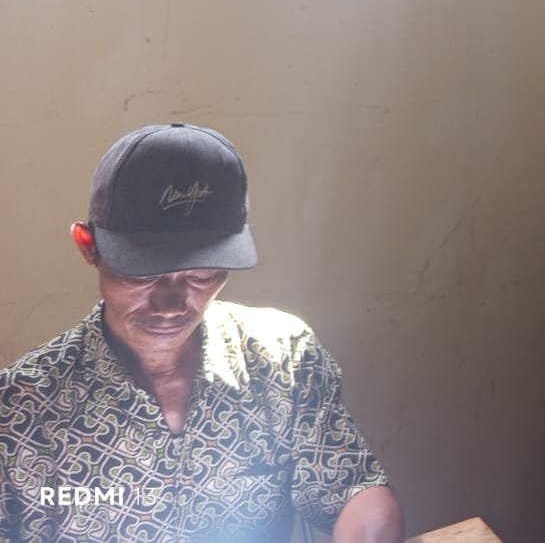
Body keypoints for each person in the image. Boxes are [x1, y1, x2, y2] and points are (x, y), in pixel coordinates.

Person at [0, 124, 402, 542]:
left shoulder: (282, 357)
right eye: (143, 274)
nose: (171, 303)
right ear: (88, 245)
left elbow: (352, 487)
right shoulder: (19, 409)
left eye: (202, 275)